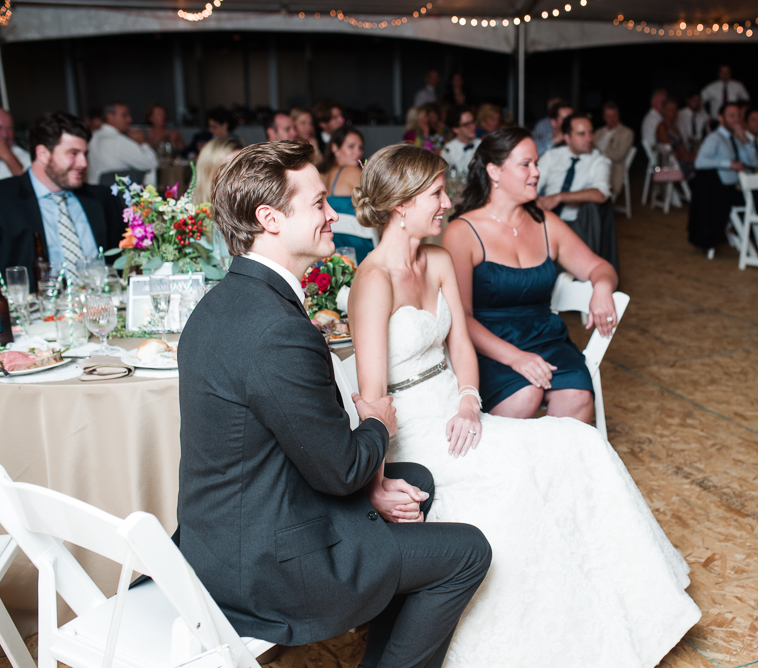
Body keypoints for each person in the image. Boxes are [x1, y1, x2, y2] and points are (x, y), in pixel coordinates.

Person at [354, 140, 700, 667]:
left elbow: (461, 347)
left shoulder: (440, 258)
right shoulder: (372, 281)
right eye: (436, 194)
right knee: (513, 484)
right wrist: (375, 486)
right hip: (415, 428)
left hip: (458, 409)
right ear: (401, 205)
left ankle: (627, 606)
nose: (447, 203)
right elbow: (373, 397)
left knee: (577, 443)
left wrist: (471, 401)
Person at [178, 140, 491, 667]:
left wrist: (371, 466)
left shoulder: (221, 303)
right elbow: (343, 472)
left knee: (419, 483)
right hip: (265, 569)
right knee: (469, 552)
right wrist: (376, 423)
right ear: (270, 218)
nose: (333, 214)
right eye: (320, 203)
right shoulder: (276, 329)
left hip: (222, 535)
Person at [446, 127, 613, 418]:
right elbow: (461, 318)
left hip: (546, 338)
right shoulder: (463, 231)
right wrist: (516, 358)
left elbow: (601, 267)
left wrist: (602, 288)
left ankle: (561, 465)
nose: (536, 172)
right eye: (526, 164)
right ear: (494, 172)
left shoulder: (547, 223)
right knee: (525, 395)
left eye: (536, 163)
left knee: (576, 395)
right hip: (490, 345)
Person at [0, 112, 124, 289]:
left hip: (101, 307)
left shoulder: (103, 199)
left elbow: (123, 264)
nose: (83, 163)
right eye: (73, 153)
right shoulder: (5, 200)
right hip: (41, 312)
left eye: (84, 154)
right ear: (43, 154)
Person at [690, 102, 756, 258]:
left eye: (739, 116)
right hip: (721, 192)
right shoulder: (715, 138)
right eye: (732, 116)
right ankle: (754, 242)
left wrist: (745, 140)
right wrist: (729, 164)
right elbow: (699, 162)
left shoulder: (736, 137)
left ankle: (752, 240)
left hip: (737, 188)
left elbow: (753, 162)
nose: (736, 119)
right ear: (721, 119)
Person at [536, 113, 612, 223]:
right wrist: (534, 202)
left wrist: (559, 197)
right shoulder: (552, 156)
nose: (589, 139)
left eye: (590, 133)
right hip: (545, 218)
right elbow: (535, 182)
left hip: (577, 224)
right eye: (582, 134)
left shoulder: (600, 161)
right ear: (567, 138)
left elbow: (600, 194)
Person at [321, 126, 375, 262]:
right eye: (351, 146)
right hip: (355, 246)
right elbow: (376, 204)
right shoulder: (353, 172)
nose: (358, 152)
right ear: (335, 148)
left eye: (360, 148)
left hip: (328, 246)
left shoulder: (319, 174)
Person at [87, 102, 158, 185]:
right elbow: (152, 163)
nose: (129, 119)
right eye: (124, 115)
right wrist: (143, 143)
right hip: (117, 195)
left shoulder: (93, 137)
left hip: (95, 192)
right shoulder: (118, 141)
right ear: (110, 116)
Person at [593, 101, 635, 197]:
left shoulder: (626, 133)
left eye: (614, 115)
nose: (611, 119)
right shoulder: (599, 132)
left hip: (611, 168)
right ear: (604, 117)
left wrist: (597, 154)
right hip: (594, 164)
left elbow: (618, 155)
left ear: (619, 115)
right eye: (608, 116)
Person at [440, 105, 481, 175]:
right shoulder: (448, 150)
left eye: (473, 122)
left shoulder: (481, 144)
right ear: (455, 129)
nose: (473, 126)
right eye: (467, 124)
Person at [0, 108, 31, 180]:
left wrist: (8, 156)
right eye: (0, 128)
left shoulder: (26, 159)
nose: (5, 135)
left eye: (9, 129)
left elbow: (29, 187)